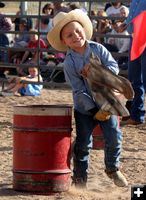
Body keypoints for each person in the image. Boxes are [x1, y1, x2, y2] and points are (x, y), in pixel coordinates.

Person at [47, 9, 128, 188]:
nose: (75, 36)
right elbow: (78, 90)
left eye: (77, 30)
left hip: (107, 102)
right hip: (85, 109)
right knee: (84, 142)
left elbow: (113, 65)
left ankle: (112, 168)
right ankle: (80, 178)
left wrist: (100, 73)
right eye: (69, 35)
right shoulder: (69, 63)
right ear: (64, 41)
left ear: (84, 28)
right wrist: (92, 110)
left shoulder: (98, 48)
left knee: (114, 135)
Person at [122, 0, 146, 125]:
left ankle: (137, 113)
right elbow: (134, 15)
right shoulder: (135, 1)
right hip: (135, 37)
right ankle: (137, 115)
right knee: (134, 78)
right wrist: (126, 23)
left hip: (144, 37)